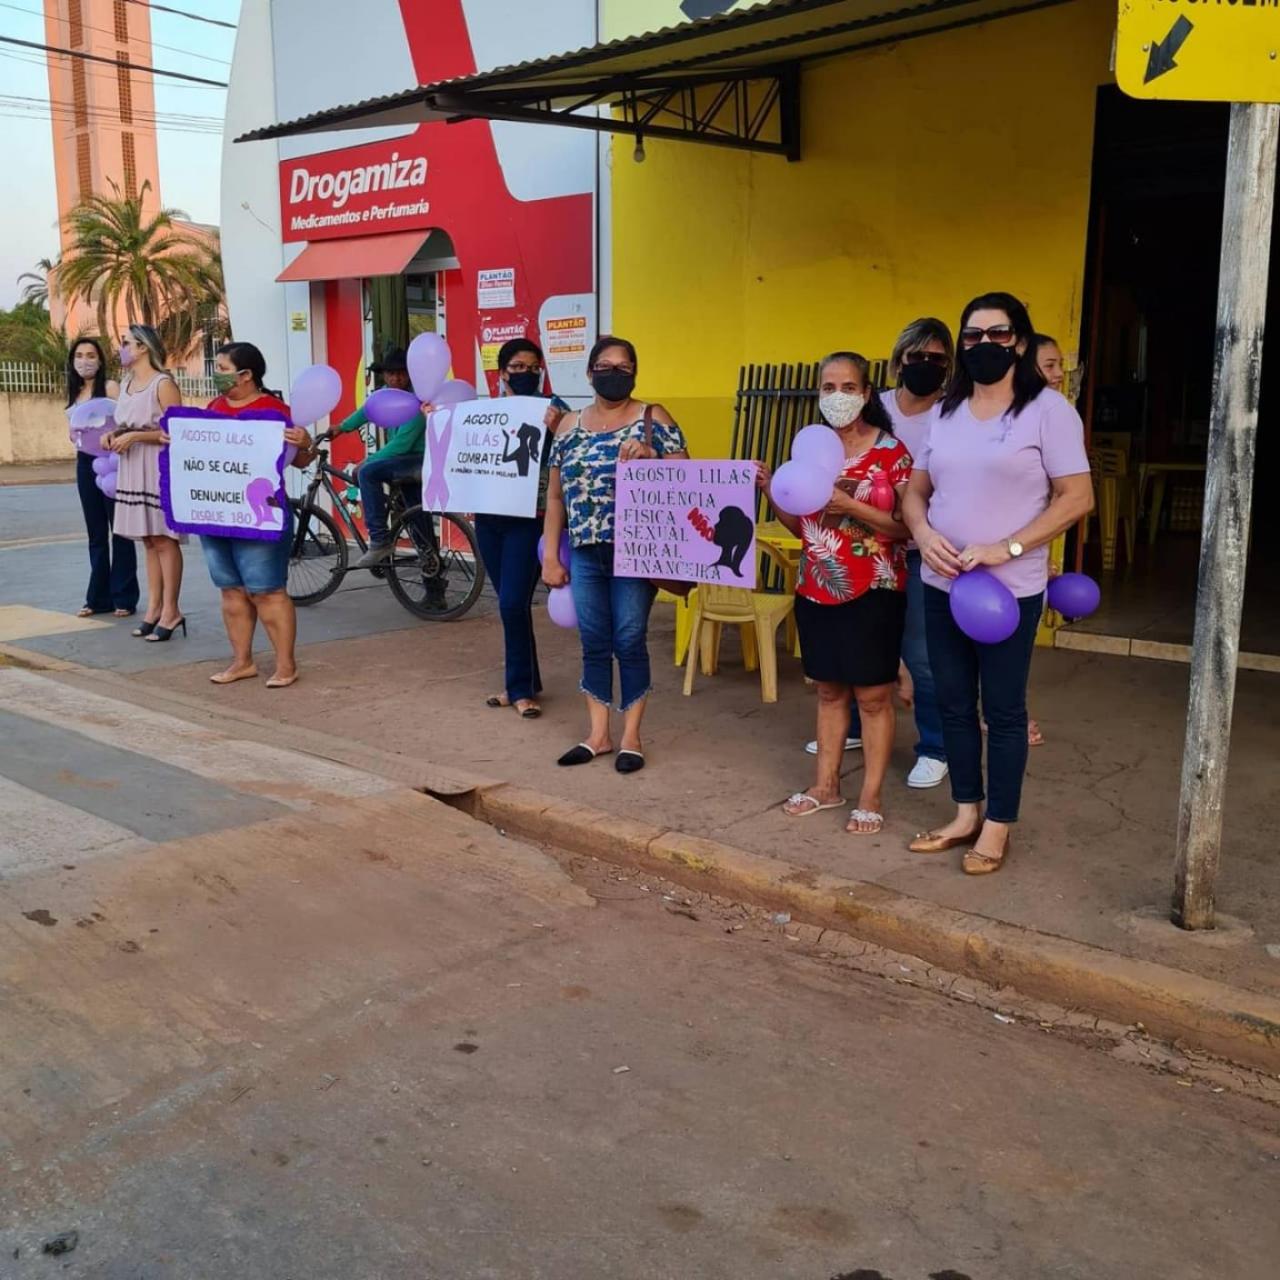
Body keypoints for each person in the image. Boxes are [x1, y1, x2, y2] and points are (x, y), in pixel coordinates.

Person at [903, 292, 1093, 875]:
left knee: (1004, 710)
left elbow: (1077, 497)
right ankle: (966, 813)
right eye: (973, 335)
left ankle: (998, 825)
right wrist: (922, 532)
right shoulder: (947, 410)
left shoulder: (1048, 412)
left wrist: (1006, 548)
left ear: (1019, 340)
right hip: (942, 582)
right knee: (953, 702)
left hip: (1009, 591)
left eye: (998, 334)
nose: (984, 344)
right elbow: (915, 491)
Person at [765, 352, 912, 835]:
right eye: (828, 388)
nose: (838, 397)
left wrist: (851, 505)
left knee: (872, 696)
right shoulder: (809, 449)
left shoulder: (892, 453)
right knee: (828, 692)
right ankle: (825, 785)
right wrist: (770, 490)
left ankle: (870, 795)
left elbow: (908, 528)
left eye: (848, 387)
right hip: (817, 585)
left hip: (875, 587)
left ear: (867, 393)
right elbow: (804, 526)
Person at [541, 336, 688, 774]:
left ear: (635, 373)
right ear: (589, 373)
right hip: (585, 550)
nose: (614, 374)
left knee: (628, 638)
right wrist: (551, 556)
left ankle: (631, 737)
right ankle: (598, 735)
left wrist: (651, 458)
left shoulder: (653, 418)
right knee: (594, 640)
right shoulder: (567, 426)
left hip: (637, 552)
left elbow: (689, 480)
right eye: (605, 366)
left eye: (624, 367)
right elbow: (555, 497)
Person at [201, 342, 314, 688]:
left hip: (261, 514)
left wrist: (306, 442)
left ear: (246, 374)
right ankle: (242, 662)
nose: (216, 374)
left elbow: (301, 459)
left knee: (267, 591)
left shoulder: (275, 411)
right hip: (218, 513)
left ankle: (285, 665)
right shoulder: (213, 408)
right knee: (231, 590)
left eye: (222, 368)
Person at [477, 338, 570, 718]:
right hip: (489, 518)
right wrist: (437, 419)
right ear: (502, 373)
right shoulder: (485, 412)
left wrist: (559, 428)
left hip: (529, 518)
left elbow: (575, 448)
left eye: (533, 368)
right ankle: (525, 681)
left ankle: (519, 690)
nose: (526, 374)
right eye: (517, 367)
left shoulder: (554, 408)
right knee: (510, 605)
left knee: (513, 603)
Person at [338, 349, 445, 607]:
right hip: (402, 463)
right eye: (390, 374)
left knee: (368, 473)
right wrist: (339, 428)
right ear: (384, 375)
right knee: (418, 524)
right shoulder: (386, 396)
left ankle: (380, 540)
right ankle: (435, 593)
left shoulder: (417, 401)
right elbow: (367, 411)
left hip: (417, 461)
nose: (396, 378)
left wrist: (368, 461)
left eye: (401, 373)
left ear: (410, 375)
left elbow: (401, 444)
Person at [103, 324, 185, 642]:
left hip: (156, 465)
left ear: (142, 347)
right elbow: (125, 423)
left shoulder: (162, 383)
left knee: (164, 538)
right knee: (148, 539)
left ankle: (171, 609)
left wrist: (137, 436)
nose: (121, 348)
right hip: (132, 464)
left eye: (126, 343)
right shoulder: (125, 383)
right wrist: (116, 434)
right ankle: (153, 608)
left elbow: (176, 430)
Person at [66, 337, 138, 619]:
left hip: (111, 463)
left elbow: (122, 422)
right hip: (85, 463)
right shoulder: (73, 391)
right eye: (79, 355)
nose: (84, 361)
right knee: (96, 534)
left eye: (90, 355)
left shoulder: (109, 388)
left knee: (119, 529)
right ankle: (97, 598)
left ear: (100, 360)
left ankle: (124, 597)